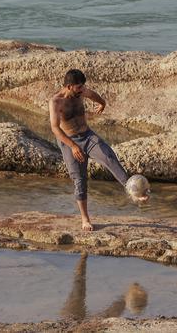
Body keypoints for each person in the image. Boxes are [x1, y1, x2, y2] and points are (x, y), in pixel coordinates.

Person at [48, 68, 143, 231]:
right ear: (69, 86)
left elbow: (93, 95)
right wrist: (73, 146)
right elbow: (55, 128)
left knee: (108, 156)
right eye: (79, 87)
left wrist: (102, 104)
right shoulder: (56, 102)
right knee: (80, 180)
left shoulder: (81, 92)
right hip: (69, 141)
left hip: (87, 135)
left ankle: (133, 190)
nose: (82, 90)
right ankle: (85, 219)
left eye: (83, 87)